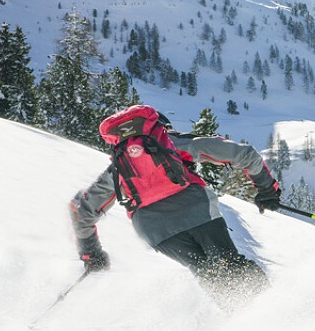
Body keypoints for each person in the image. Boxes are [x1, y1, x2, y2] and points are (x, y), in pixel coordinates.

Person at [70, 105, 282, 301]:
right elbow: (245, 154)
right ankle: (269, 308)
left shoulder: (119, 166)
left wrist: (91, 253)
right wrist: (267, 190)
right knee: (229, 263)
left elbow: (82, 211)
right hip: (196, 211)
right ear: (160, 128)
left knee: (207, 273)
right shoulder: (174, 143)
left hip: (155, 231)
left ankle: (239, 316)